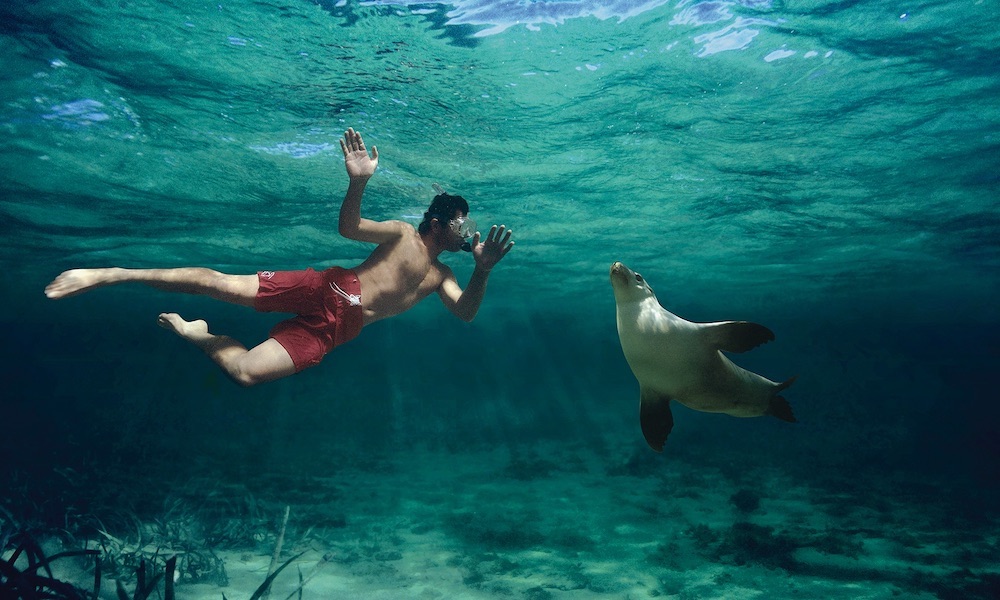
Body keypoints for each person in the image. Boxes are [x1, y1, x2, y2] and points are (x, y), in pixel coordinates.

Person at [44, 128, 514, 386]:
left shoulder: (443, 274)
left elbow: (467, 313)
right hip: (327, 287)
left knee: (246, 373)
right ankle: (109, 273)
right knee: (217, 283)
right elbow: (349, 228)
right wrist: (358, 182)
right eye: (463, 222)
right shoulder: (401, 235)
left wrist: (483, 269)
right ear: (438, 220)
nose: (469, 231)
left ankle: (200, 334)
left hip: (337, 330)